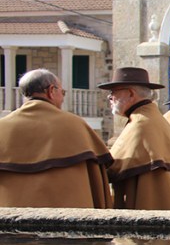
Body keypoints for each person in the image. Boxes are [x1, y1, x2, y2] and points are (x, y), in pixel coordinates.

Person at [0, 69, 112, 208]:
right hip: (69, 218)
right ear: (51, 91)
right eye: (62, 92)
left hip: (10, 219)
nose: (63, 98)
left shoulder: (2, 127)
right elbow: (97, 181)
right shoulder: (76, 125)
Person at [102, 67, 170, 210]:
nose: (110, 97)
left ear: (131, 93)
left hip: (150, 205)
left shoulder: (140, 123)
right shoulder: (152, 117)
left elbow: (113, 167)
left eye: (114, 91)